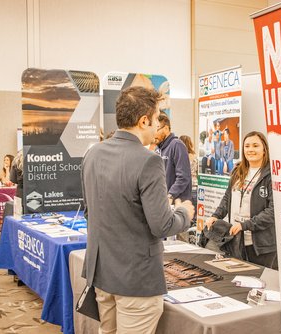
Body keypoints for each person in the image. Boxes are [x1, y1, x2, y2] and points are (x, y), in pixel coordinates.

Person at [80, 86, 194, 334]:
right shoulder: (148, 160)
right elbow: (162, 225)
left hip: (101, 273)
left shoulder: (93, 154)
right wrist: (185, 212)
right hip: (136, 279)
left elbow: (91, 213)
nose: (157, 127)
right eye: (156, 119)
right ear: (144, 120)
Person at [205, 131, 277, 269]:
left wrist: (246, 225)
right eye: (247, 146)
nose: (250, 149)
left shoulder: (270, 175)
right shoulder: (238, 171)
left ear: (264, 150)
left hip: (261, 246)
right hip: (236, 241)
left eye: (255, 146)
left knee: (260, 284)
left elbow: (272, 211)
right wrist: (215, 216)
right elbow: (227, 198)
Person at [154, 112, 192, 204]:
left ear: (166, 128)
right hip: (163, 202)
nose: (154, 133)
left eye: (157, 129)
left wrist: (171, 195)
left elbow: (183, 177)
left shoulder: (177, 145)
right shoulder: (157, 149)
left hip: (178, 203)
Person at [180, 135, 198, 207]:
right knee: (194, 215)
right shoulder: (195, 157)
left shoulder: (180, 157)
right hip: (195, 188)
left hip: (184, 190)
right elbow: (197, 173)